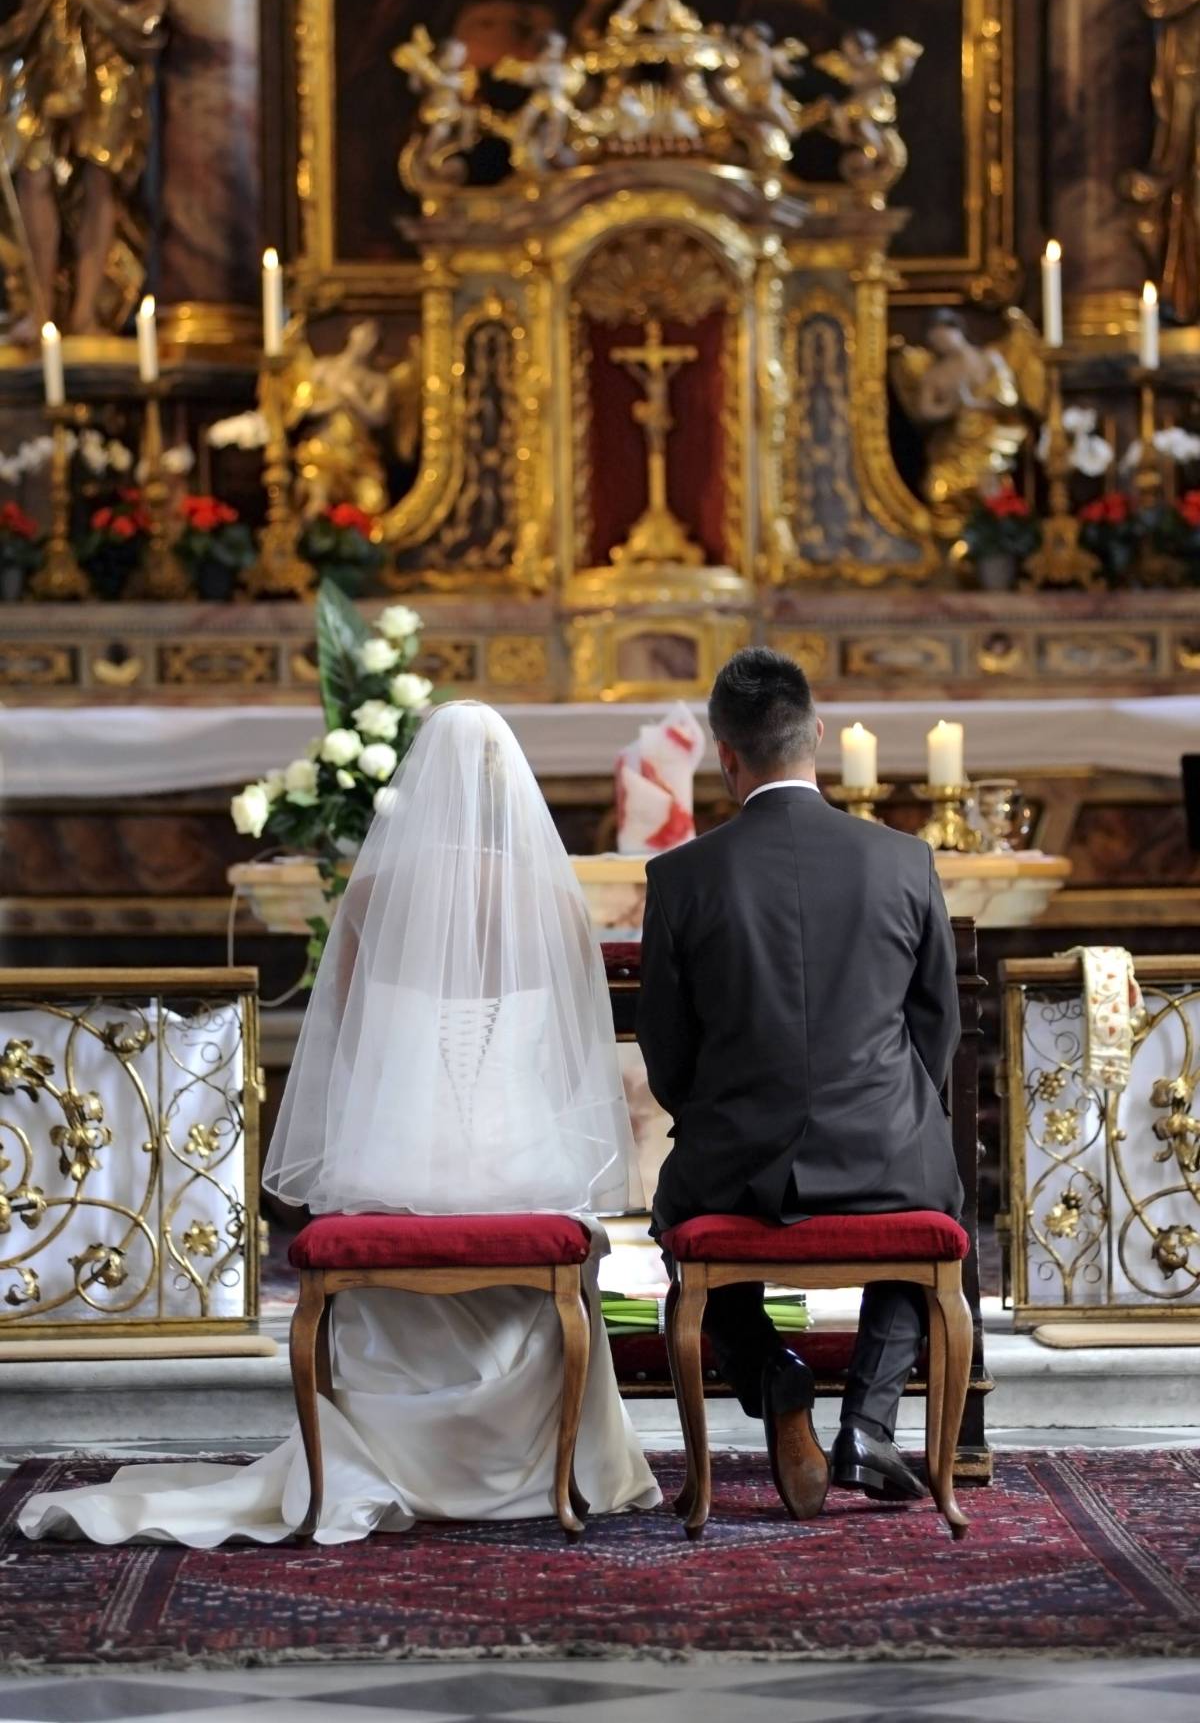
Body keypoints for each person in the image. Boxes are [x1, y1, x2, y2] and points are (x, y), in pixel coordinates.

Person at [21, 702, 660, 1546]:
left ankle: (375, 1461)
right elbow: (569, 1055)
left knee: (376, 1220)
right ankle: (547, 1466)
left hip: (395, 1151)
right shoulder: (550, 895)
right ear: (514, 794)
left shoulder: (371, 895)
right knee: (564, 1238)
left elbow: (350, 1046)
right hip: (522, 1156)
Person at [638, 647, 962, 1520]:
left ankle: (772, 1372)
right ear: (817, 734)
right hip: (889, 1153)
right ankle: (869, 1420)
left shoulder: (680, 877)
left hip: (739, 1161)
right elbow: (938, 1023)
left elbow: (666, 1053)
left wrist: (724, 1115)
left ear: (724, 755)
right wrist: (892, 1111)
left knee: (680, 1215)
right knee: (935, 1200)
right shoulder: (904, 860)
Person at [0, 0, 169, 341]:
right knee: (31, 169)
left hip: (97, 27)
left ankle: (87, 313)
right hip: (35, 35)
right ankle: (39, 310)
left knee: (101, 167)